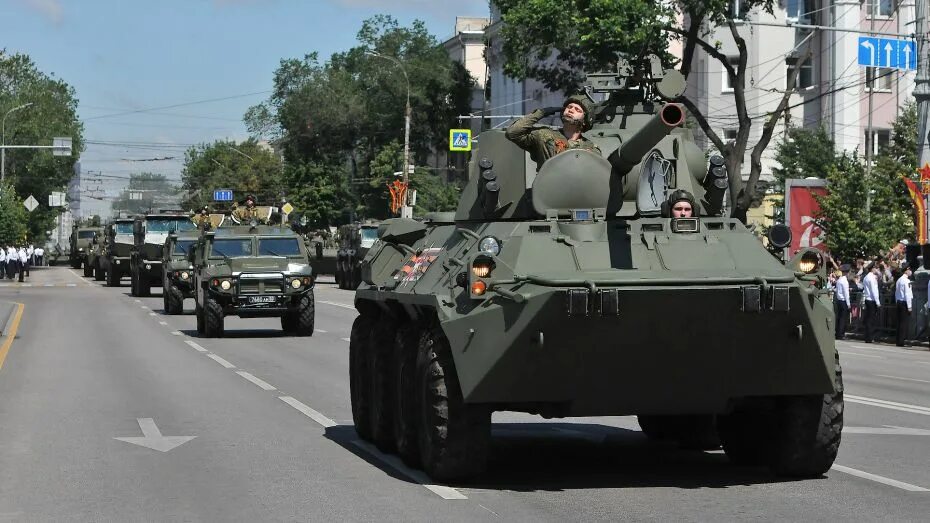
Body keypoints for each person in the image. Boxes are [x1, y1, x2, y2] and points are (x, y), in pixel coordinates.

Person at [505, 94, 601, 171]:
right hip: (547, 191)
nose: (571, 110)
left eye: (577, 110)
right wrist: (542, 112)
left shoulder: (591, 149)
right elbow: (513, 132)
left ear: (585, 121)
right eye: (569, 107)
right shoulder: (544, 135)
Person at [861, 264, 881, 343]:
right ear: (872, 269)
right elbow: (874, 290)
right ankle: (870, 337)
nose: (876, 269)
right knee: (871, 320)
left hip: (867, 299)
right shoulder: (872, 278)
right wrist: (878, 302)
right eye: (875, 268)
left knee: (868, 319)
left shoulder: (866, 277)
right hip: (872, 300)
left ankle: (867, 337)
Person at [894, 265, 913, 346]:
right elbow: (908, 294)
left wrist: (896, 302)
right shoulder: (906, 281)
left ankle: (898, 340)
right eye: (909, 270)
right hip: (904, 303)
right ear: (906, 271)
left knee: (899, 322)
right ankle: (901, 341)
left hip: (899, 302)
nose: (910, 272)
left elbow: (896, 293)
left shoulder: (899, 280)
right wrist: (909, 306)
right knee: (903, 323)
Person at [835, 265, 851, 340]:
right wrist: (848, 304)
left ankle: (838, 333)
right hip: (844, 301)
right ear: (847, 272)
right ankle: (841, 334)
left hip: (839, 300)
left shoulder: (839, 280)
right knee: (843, 319)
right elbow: (846, 293)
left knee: (839, 318)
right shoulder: (845, 281)